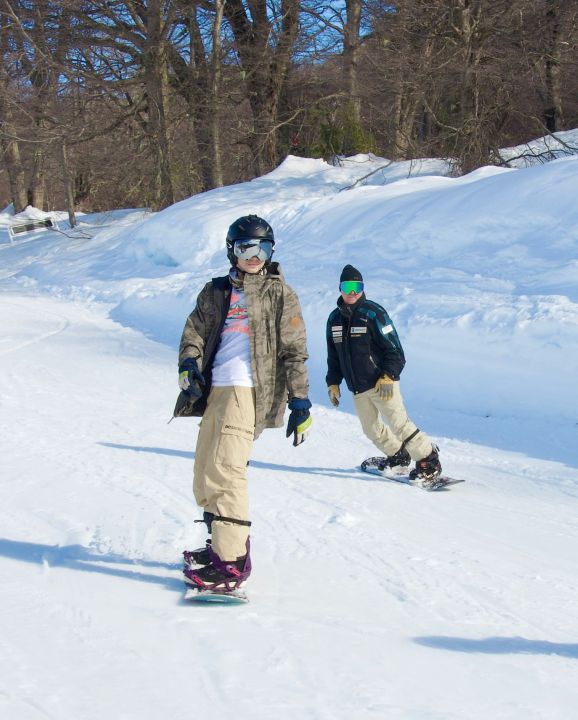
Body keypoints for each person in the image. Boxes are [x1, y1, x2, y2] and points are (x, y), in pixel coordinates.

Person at [173, 215, 311, 593]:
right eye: (246, 247)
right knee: (205, 473)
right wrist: (189, 363)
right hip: (216, 391)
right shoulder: (215, 291)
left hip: (249, 390)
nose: (254, 256)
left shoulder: (281, 294)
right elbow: (194, 332)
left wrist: (300, 401)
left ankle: (231, 562)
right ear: (231, 251)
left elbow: (295, 351)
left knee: (226, 471)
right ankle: (219, 543)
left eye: (263, 248)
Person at [325, 264, 441, 482]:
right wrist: (333, 382)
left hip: (382, 382)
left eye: (357, 287)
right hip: (358, 387)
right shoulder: (334, 320)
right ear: (340, 288)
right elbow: (334, 356)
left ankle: (428, 458)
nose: (352, 292)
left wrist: (388, 375)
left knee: (399, 424)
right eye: (348, 287)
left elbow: (395, 350)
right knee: (371, 429)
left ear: (363, 288)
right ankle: (397, 455)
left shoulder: (373, 313)